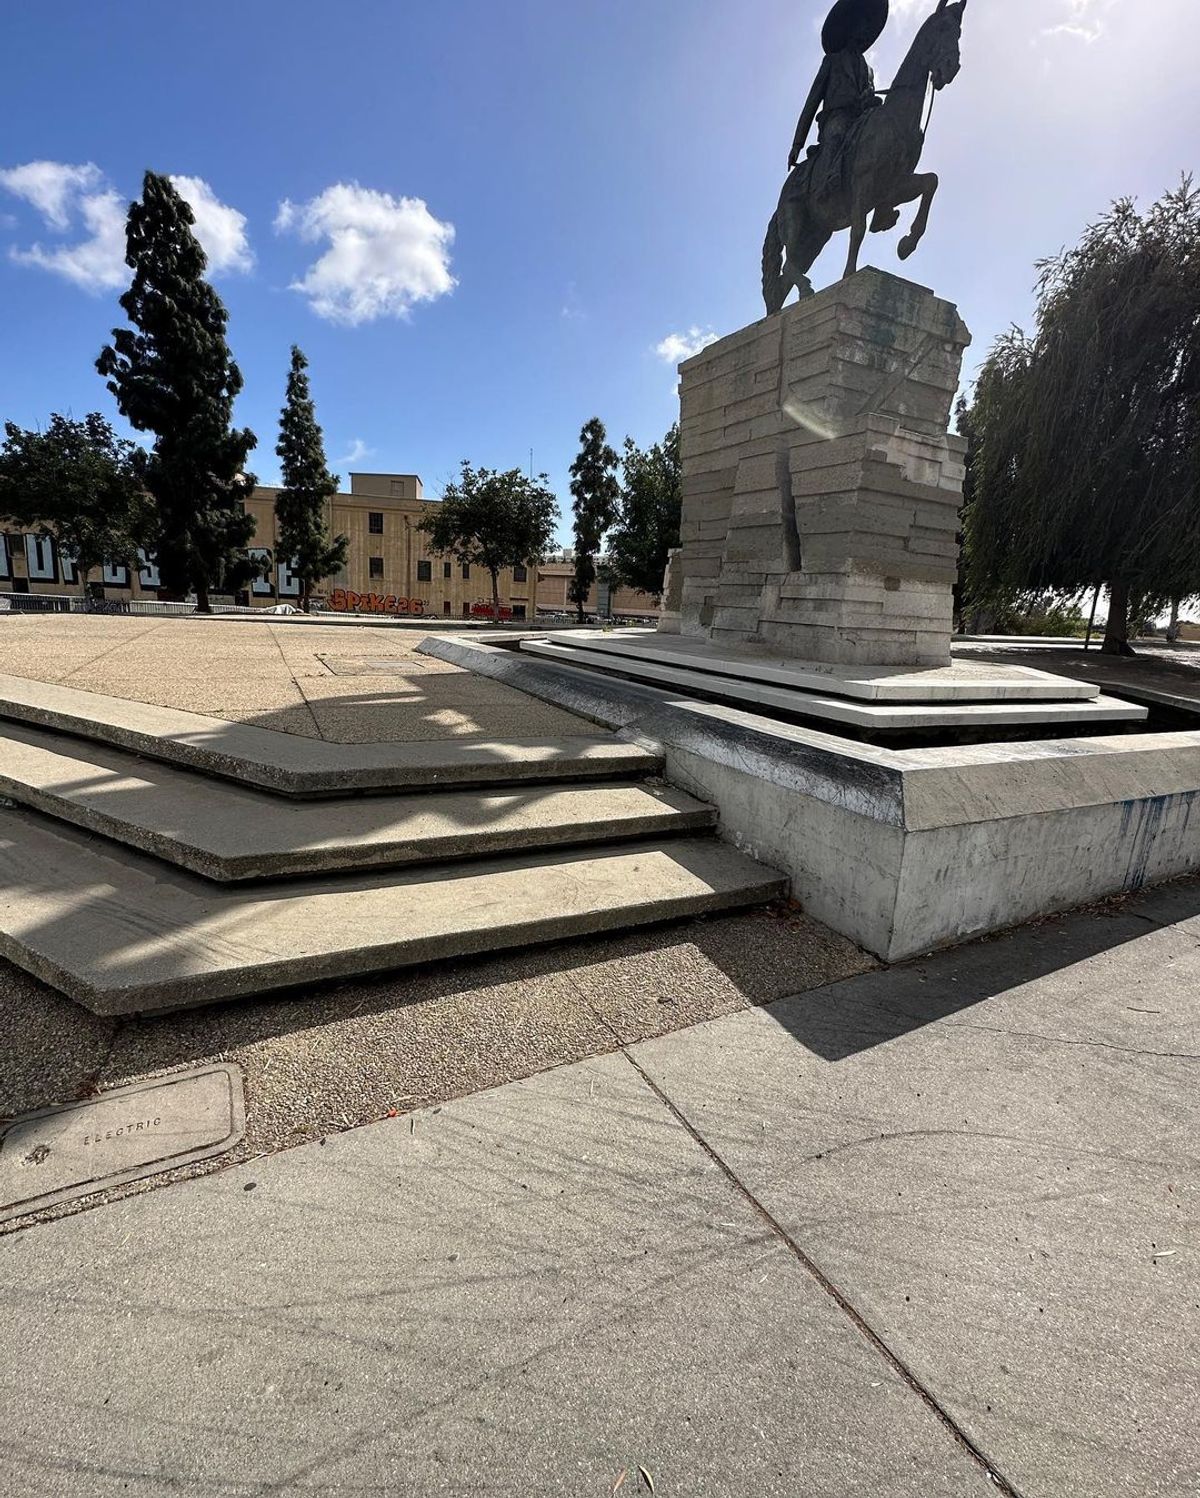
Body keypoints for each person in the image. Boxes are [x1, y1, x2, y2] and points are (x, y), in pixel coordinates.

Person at [788, 0, 888, 185]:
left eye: (868, 26)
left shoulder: (869, 70)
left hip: (861, 118)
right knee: (838, 133)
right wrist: (797, 144)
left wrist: (869, 98)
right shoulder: (832, 62)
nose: (865, 30)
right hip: (836, 118)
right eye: (862, 24)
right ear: (851, 28)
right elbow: (812, 103)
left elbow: (868, 93)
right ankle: (830, 180)